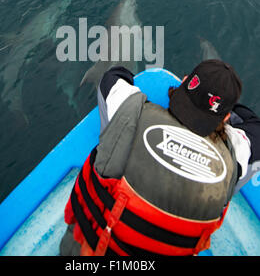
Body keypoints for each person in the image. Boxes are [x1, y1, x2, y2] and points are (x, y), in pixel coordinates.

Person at [60, 59, 259, 256]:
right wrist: (222, 110)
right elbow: (254, 128)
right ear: (225, 118)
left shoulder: (129, 112)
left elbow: (113, 77)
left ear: (184, 82)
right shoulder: (235, 160)